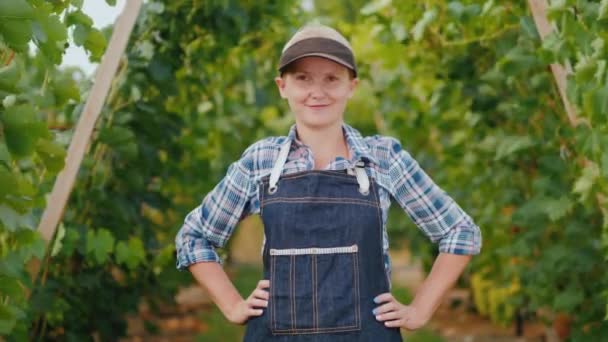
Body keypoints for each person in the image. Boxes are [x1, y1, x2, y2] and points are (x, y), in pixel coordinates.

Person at [175, 24, 482, 341]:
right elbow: (194, 236)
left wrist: (419, 311)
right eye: (302, 78)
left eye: (332, 78)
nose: (317, 91)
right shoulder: (261, 161)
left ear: (352, 85)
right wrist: (232, 305)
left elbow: (460, 232)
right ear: (283, 86)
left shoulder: (383, 157)